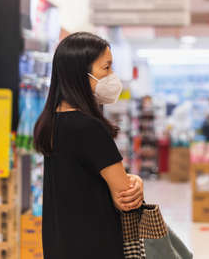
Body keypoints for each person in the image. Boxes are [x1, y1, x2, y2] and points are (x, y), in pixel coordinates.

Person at [34, 32, 144, 259]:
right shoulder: (88, 128)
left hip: (61, 242)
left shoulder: (52, 122)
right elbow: (126, 197)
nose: (112, 76)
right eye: (106, 68)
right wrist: (136, 181)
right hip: (95, 243)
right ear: (79, 74)